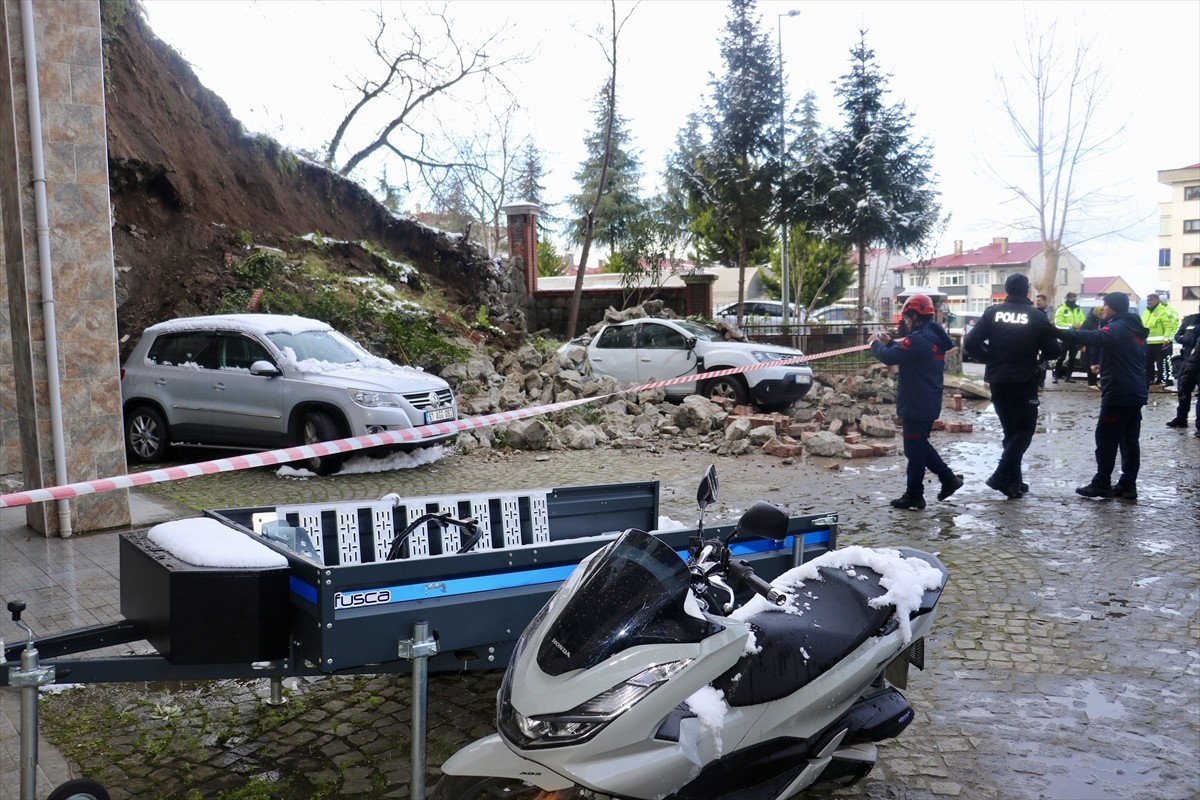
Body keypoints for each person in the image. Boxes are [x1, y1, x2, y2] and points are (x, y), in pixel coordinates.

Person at [964, 274, 1061, 499]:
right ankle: (1000, 475)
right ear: (1027, 290)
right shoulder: (1036, 316)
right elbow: (1054, 350)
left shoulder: (992, 313)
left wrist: (990, 358)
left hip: (998, 380)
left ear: (1007, 289)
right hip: (1023, 380)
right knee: (1024, 431)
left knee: (1011, 431)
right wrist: (1038, 361)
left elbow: (970, 343)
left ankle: (1013, 481)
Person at [869, 294, 963, 510]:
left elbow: (890, 357)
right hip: (925, 401)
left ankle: (920, 493)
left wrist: (874, 344)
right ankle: (939, 483)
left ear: (915, 315)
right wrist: (889, 343)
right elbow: (905, 353)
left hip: (917, 403)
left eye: (907, 317)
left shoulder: (919, 339)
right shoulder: (930, 336)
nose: (906, 322)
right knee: (918, 447)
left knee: (915, 449)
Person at [1055, 292, 1149, 500]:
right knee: (1129, 441)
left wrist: (1060, 332)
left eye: (1105, 305)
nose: (1102, 309)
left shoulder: (1118, 327)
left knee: (1106, 438)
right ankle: (1127, 485)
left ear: (1114, 307)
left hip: (1119, 393)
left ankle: (1102, 483)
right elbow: (1106, 343)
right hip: (1135, 391)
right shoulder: (1133, 326)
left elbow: (1094, 337)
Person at [1166, 312, 1200, 432]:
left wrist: (1189, 340)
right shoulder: (1190, 320)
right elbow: (1179, 335)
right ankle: (1181, 418)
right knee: (1183, 390)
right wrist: (1185, 339)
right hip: (1188, 359)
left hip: (1195, 359)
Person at [1141, 293, 1180, 387]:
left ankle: (1162, 380)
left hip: (1160, 343)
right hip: (1148, 342)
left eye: (1151, 300)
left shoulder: (1163, 311)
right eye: (1148, 300)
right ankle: (1149, 380)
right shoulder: (1146, 312)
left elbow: (1168, 326)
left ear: (1157, 300)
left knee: (1161, 364)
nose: (1149, 302)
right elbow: (1142, 326)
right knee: (1148, 363)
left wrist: (1167, 339)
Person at [1053, 292, 1085, 383]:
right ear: (1068, 298)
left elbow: (1083, 319)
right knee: (1061, 357)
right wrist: (1071, 326)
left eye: (1075, 298)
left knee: (1072, 358)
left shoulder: (1078, 309)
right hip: (1064, 336)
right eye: (1073, 298)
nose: (1075, 300)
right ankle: (1055, 376)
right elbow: (1058, 323)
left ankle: (1069, 376)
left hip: (1075, 337)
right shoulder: (1061, 309)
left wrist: (1080, 325)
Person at [1034, 294, 1051, 389]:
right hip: (1036, 342)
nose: (1037, 302)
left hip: (1045, 342)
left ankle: (1041, 381)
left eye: (1039, 300)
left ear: (1045, 301)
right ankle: (1037, 381)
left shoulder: (1049, 313)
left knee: (1043, 362)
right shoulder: (1035, 312)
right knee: (1037, 362)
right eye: (1037, 301)